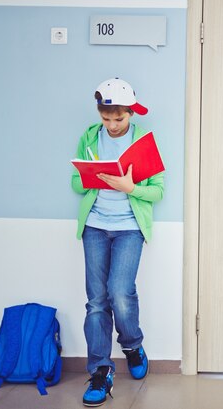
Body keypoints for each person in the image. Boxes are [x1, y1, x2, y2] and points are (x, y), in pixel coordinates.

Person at [71, 78, 164, 407]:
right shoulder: (90, 137)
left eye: (118, 119)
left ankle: (132, 344)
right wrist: (89, 177)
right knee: (96, 301)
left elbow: (158, 191)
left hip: (128, 228)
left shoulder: (143, 141)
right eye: (105, 117)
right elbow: (75, 182)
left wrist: (130, 187)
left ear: (130, 113)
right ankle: (100, 371)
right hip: (95, 225)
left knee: (119, 293)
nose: (111, 125)